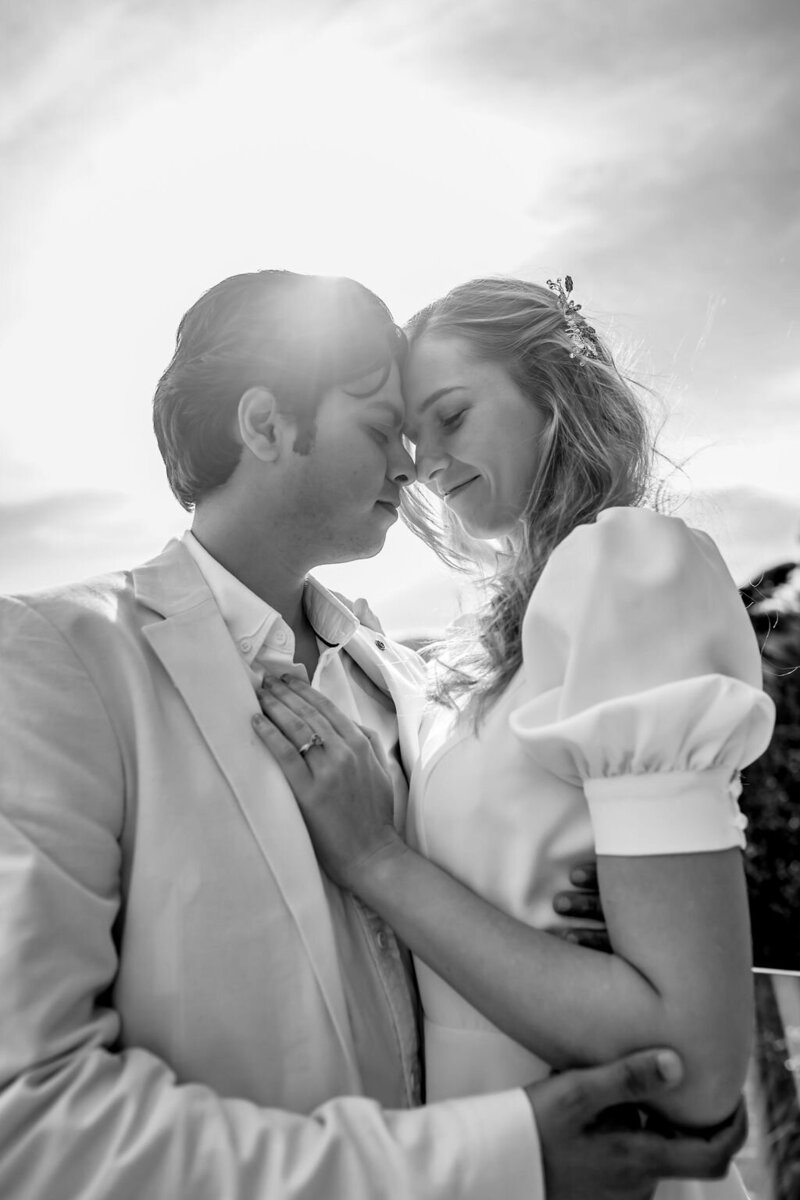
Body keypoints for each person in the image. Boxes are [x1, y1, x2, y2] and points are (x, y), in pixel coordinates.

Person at [0, 269, 750, 1200]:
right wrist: (503, 1160)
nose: (412, 466)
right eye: (381, 429)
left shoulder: (405, 680)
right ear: (267, 425)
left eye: (435, 423)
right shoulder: (59, 657)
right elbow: (27, 1120)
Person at [252, 275, 776, 1200]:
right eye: (411, 438)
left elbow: (693, 1066)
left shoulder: (623, 565)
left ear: (555, 395)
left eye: (452, 415)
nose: (424, 463)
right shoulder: (493, 641)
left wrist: (375, 856)